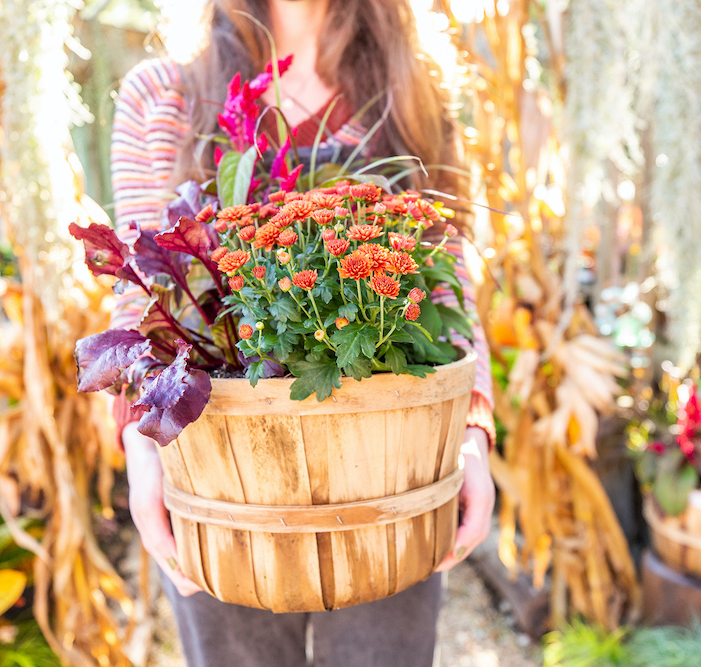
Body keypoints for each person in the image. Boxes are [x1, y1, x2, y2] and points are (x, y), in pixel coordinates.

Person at [110, 1, 496, 665]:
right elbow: (137, 298)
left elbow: (446, 280)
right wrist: (140, 446)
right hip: (224, 477)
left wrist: (473, 438)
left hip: (388, 470)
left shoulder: (413, 88)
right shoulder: (163, 95)